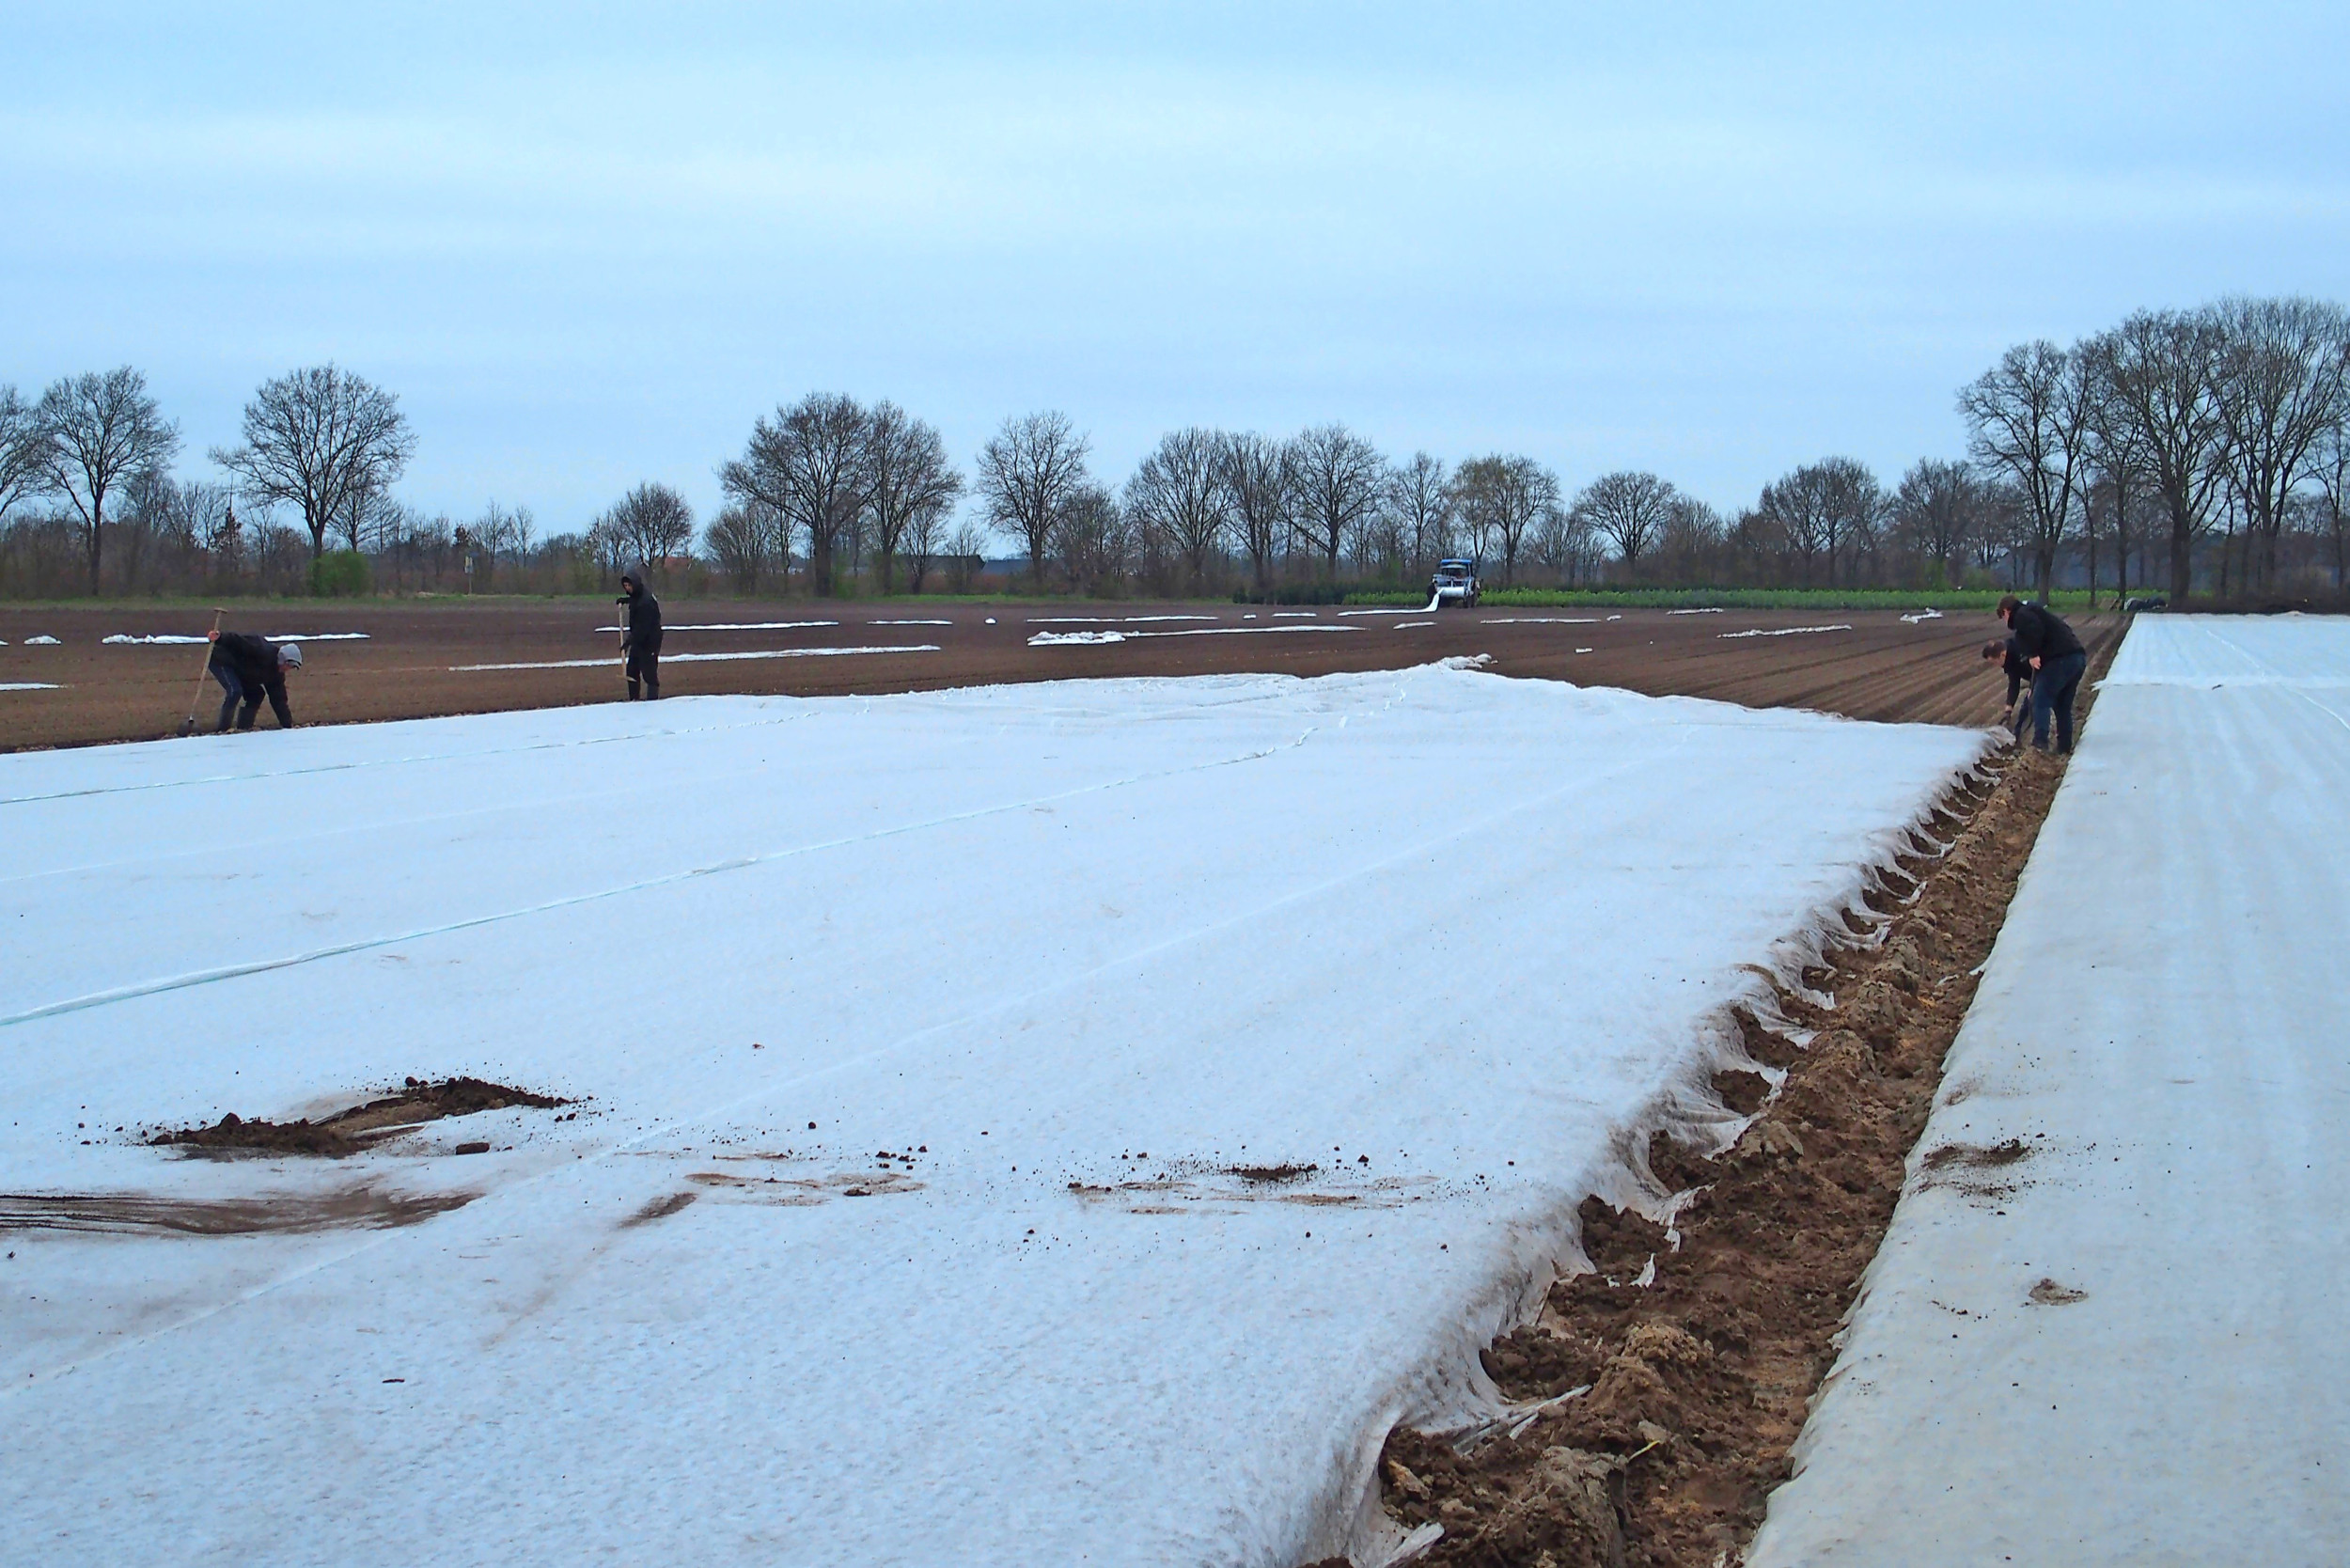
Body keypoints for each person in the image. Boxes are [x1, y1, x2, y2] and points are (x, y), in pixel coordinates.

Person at [1997, 594, 2087, 753]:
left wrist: (2032, 653)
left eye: (2002, 617)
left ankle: (2040, 745)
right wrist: (2034, 683)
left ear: (2006, 611)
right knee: (2062, 705)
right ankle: (2064, 747)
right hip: (2076, 658)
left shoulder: (2021, 615)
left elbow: (2035, 629)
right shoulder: (2034, 611)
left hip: (2061, 660)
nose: (2005, 622)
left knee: (2040, 700)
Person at [206, 631, 300, 731]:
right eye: (288, 665)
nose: (288, 669)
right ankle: (223, 729)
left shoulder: (276, 675)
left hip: (242, 671)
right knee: (235, 691)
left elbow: (279, 700)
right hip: (223, 661)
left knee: (256, 694)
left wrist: (288, 726)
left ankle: (243, 729)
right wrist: (220, 638)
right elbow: (237, 641)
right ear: (282, 658)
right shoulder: (261, 650)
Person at [618, 565, 663, 700]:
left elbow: (641, 629)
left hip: (650, 640)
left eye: (629, 585)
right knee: (632, 670)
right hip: (639, 639)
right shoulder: (638, 594)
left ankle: (652, 702)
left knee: (649, 674)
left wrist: (628, 643)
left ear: (635, 584)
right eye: (625, 586)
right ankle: (634, 700)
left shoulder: (646, 602)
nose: (627, 589)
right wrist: (625, 600)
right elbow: (635, 599)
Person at [1980, 637, 2032, 744]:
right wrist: (2009, 708)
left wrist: (2034, 687)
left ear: (2002, 655)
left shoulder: (2020, 650)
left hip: (2048, 673)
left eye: (1995, 662)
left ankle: (2040, 743)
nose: (1996, 665)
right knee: (2026, 708)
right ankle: (2016, 739)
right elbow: (2014, 684)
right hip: (2035, 678)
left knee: (2034, 706)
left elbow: (2039, 666)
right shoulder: (2009, 662)